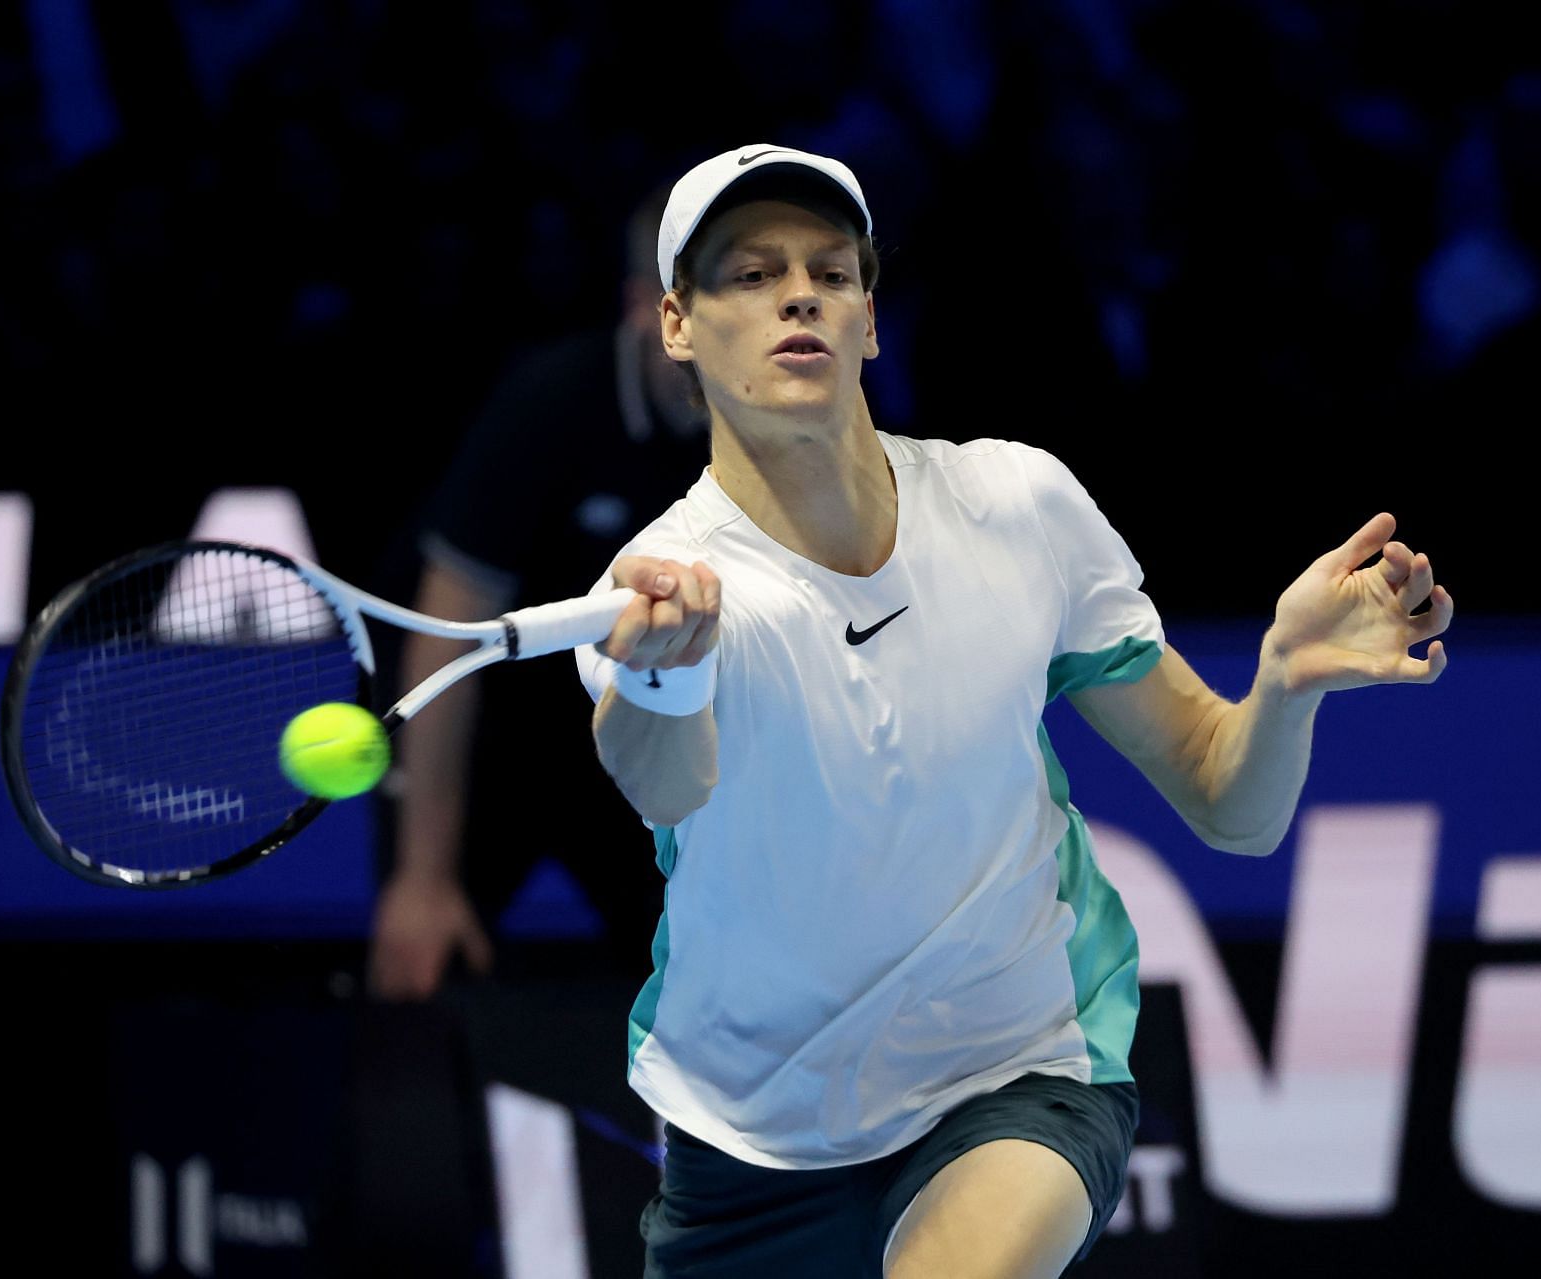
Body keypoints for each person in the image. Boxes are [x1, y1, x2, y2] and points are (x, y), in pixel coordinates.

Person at [576, 145, 1453, 1279]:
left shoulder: (1014, 503)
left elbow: (1230, 801)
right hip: (750, 1138)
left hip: (1015, 1068)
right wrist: (660, 669)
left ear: (870, 322)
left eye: (831, 272)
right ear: (677, 326)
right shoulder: (662, 586)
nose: (799, 292)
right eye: (749, 274)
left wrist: (1281, 686)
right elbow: (662, 781)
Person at [368, 188, 711, 998]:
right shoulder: (549, 404)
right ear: (647, 309)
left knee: (713, 983)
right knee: (422, 962)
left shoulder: (786, 426)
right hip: (490, 730)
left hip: (639, 735)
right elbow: (447, 633)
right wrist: (422, 876)